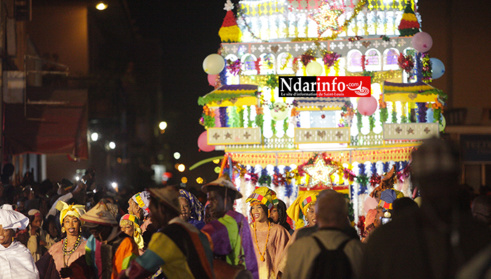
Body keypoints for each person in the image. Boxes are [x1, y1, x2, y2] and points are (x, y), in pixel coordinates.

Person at [361, 138, 491, 278]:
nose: (439, 190)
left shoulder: (386, 238)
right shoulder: (479, 236)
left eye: (444, 180)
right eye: (433, 181)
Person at [119, 185, 214, 279]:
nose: (150, 216)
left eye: (152, 210)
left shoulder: (166, 236)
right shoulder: (194, 230)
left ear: (162, 210)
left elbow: (139, 269)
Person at [283, 190, 364, 279]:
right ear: (344, 215)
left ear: (319, 214)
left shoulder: (299, 247)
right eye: (311, 211)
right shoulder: (357, 249)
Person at [201, 175, 259, 279]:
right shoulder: (239, 218)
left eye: (214, 199)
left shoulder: (231, 221)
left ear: (226, 200)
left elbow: (202, 239)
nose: (210, 204)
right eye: (209, 199)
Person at [82, 200, 139, 279]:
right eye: (92, 232)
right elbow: (88, 265)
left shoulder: (126, 243)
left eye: (97, 231)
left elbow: (128, 272)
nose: (95, 235)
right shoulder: (92, 241)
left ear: (107, 227)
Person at [36, 201, 91, 279]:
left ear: (80, 224)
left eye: (74, 221)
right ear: (63, 225)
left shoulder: (87, 246)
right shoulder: (55, 248)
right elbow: (41, 267)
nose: (71, 225)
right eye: (67, 221)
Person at [246, 187, 289, 279]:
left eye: (259, 207)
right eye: (253, 208)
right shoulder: (246, 230)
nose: (255, 211)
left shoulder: (278, 231)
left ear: (267, 209)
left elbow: (284, 260)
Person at [0, 204, 39, 278]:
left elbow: (32, 276)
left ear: (13, 232)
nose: (0, 234)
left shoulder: (22, 251)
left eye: (5, 230)